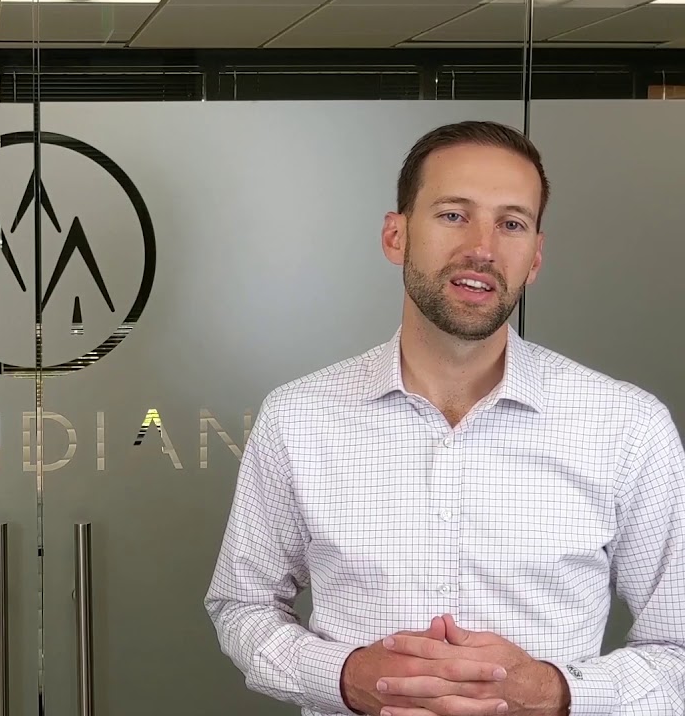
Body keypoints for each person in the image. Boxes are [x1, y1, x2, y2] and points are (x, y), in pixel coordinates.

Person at [204, 121, 685, 716]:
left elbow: (677, 648)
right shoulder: (298, 417)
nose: (482, 247)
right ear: (396, 235)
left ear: (535, 257)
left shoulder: (629, 427)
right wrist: (344, 678)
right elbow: (242, 606)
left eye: (511, 223)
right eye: (454, 215)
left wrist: (551, 693)